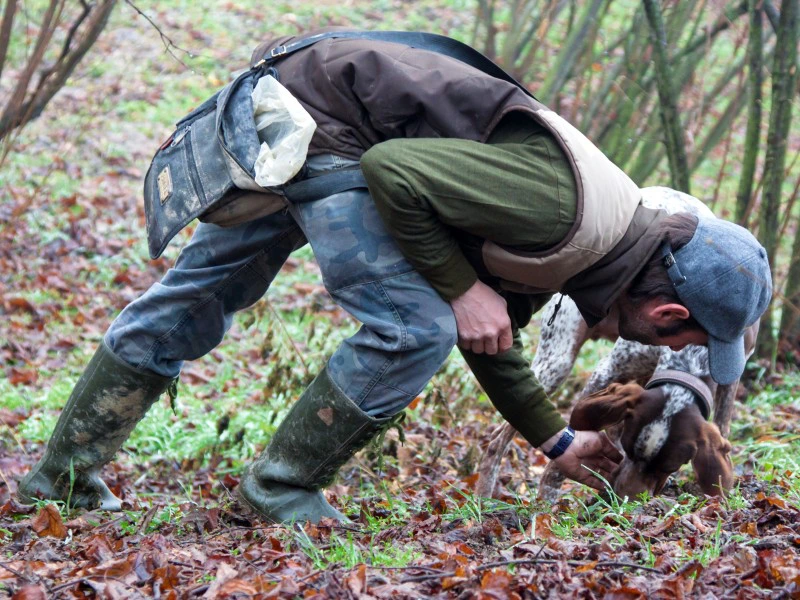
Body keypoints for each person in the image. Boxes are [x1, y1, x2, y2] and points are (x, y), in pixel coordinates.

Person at [18, 29, 772, 523]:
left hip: (308, 117)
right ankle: (277, 492)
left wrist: (556, 444)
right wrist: (458, 286)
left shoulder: (589, 244)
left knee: (195, 301)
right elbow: (392, 170)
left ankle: (59, 478)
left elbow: (493, 338)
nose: (660, 343)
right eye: (682, 334)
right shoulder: (568, 216)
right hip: (324, 129)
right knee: (415, 326)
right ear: (668, 314)